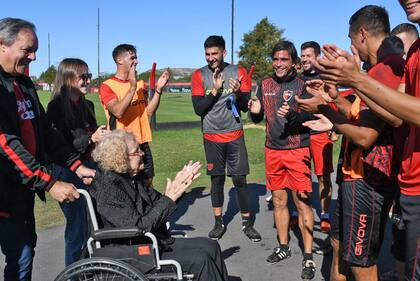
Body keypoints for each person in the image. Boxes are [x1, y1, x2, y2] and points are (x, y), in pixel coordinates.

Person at [313, 1, 419, 279]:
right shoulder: (374, 69)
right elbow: (359, 113)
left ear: (361, 34)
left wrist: (330, 105)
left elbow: (368, 134)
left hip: (369, 179)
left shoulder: (389, 66)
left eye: (351, 40)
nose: (352, 48)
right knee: (339, 247)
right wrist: (332, 98)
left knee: (362, 262)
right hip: (355, 175)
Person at [0, 18, 95, 281]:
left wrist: (77, 166)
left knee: (23, 257)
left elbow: (47, 134)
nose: (33, 56)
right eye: (27, 49)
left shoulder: (25, 84)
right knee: (20, 257)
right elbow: (5, 145)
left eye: (35, 50)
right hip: (7, 189)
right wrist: (50, 183)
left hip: (19, 192)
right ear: (2, 45)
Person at [90, 130, 228, 281]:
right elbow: (139, 227)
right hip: (133, 254)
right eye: (137, 151)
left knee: (210, 246)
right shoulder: (109, 187)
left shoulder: (133, 178)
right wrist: (170, 197)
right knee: (200, 260)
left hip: (152, 243)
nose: (143, 153)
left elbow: (159, 202)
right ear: (122, 157)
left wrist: (178, 188)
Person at [248, 40, 316, 280]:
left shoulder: (303, 85)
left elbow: (309, 117)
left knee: (302, 202)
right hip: (272, 150)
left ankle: (308, 256)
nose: (278, 64)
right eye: (275, 59)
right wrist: (253, 111)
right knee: (278, 200)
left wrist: (294, 115)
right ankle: (284, 246)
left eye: (283, 59)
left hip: (297, 150)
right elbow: (256, 116)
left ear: (293, 62)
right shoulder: (264, 83)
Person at [191, 35, 261, 242]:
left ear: (224, 52)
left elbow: (243, 106)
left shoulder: (238, 72)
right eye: (207, 54)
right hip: (212, 136)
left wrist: (239, 94)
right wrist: (214, 91)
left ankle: (247, 223)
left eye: (215, 53)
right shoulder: (199, 75)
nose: (211, 58)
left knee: (239, 180)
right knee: (217, 180)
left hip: (234, 135)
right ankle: (218, 222)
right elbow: (198, 109)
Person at [46, 58, 110, 266]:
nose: (88, 80)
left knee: (97, 222)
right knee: (77, 228)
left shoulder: (87, 105)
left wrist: (99, 138)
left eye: (88, 76)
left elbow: (88, 140)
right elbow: (60, 147)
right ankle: (73, 272)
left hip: (88, 167)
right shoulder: (55, 108)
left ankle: (94, 267)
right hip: (65, 173)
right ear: (68, 79)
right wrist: (91, 139)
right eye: (83, 77)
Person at [99, 44, 170, 188]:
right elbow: (118, 111)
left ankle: (148, 210)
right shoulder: (107, 86)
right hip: (121, 145)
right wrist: (132, 87)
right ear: (119, 60)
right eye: (132, 58)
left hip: (142, 142)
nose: (136, 61)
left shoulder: (139, 84)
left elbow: (149, 111)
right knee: (125, 186)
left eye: (136, 58)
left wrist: (158, 90)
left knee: (147, 181)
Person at [300, 41, 334, 233]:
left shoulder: (326, 77)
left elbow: (335, 103)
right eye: (303, 55)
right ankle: (299, 212)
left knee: (323, 177)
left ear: (317, 57)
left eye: (308, 56)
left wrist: (333, 128)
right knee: (301, 176)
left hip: (321, 133)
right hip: (301, 133)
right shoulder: (297, 78)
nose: (305, 59)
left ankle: (325, 214)